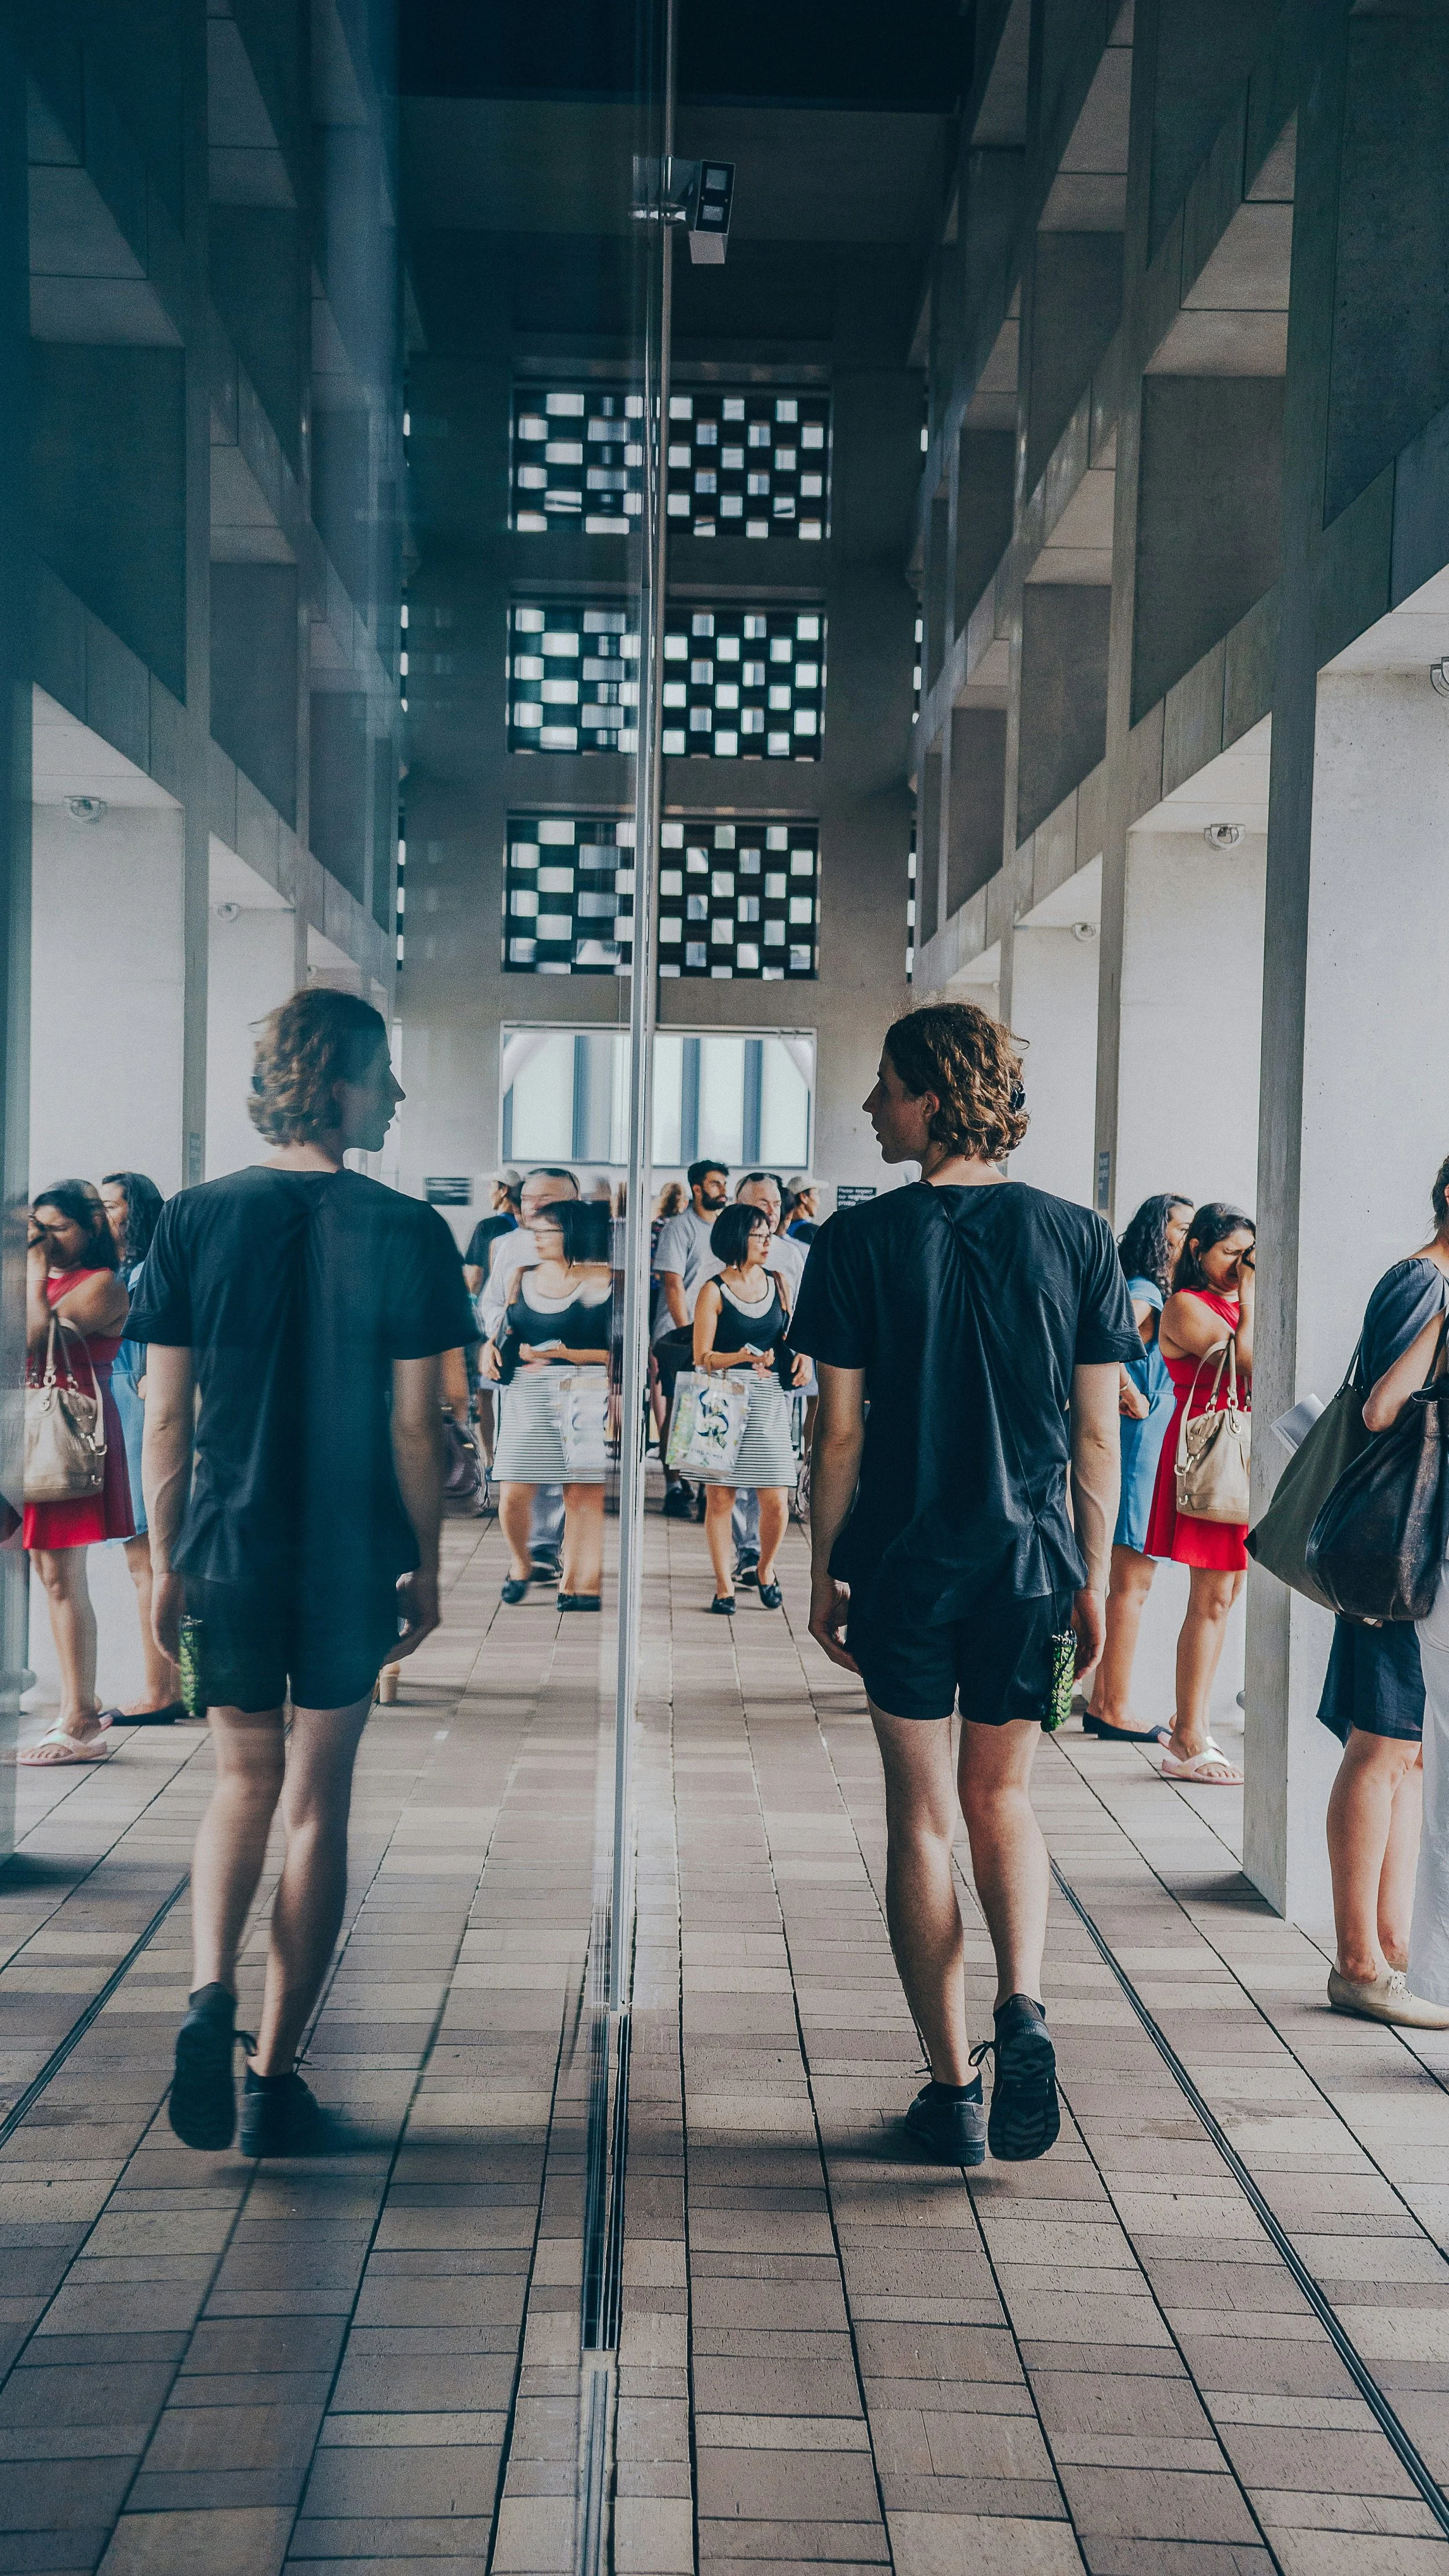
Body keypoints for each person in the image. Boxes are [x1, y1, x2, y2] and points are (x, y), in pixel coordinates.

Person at [792, 1002, 1138, 2166]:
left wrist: (821, 1572)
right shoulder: (1079, 1236)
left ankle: (948, 2094)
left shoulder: (852, 1244)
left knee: (919, 1813)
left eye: (883, 1085)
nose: (869, 1105)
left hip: (901, 1560)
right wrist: (1086, 1574)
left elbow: (836, 1437)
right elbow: (1098, 1438)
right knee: (1003, 1798)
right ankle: (1022, 2005)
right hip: (1032, 1561)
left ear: (929, 1096)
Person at [134, 988, 473, 2158]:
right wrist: (423, 1563)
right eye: (383, 1077)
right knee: (317, 1801)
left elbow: (167, 1411)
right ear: (337, 1081)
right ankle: (277, 2076)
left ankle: (206, 1991)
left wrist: (169, 1553)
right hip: (346, 1551)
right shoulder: (408, 1230)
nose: (397, 1096)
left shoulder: (190, 1218)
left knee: (239, 1777)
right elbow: (415, 1426)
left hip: (227, 1538)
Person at [1344, 1153, 1449, 2021]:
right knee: (1380, 1745)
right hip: (1397, 1549)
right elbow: (1383, 1412)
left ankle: (1392, 1943)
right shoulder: (1424, 1280)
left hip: (1417, 1550)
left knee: (1406, 1745)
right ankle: (1355, 1957)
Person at [19, 1184, 133, 1766]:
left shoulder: (103, 1285)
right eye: (37, 1227)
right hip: (29, 1435)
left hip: (63, 1435)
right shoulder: (36, 1281)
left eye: (58, 1227)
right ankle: (75, 1706)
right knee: (45, 1573)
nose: (45, 1238)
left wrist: (34, 1268)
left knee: (64, 1577)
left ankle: (81, 1718)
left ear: (91, 1226)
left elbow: (39, 1339)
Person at [1144, 1203, 1255, 1786]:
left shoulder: (1232, 1305)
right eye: (1231, 1254)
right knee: (1209, 1599)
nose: (1242, 1266)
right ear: (1198, 1252)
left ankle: (1189, 1717)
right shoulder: (1186, 1306)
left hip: (1237, 1462)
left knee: (1226, 1594)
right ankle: (1189, 1734)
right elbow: (1248, 1360)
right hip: (1211, 1461)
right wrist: (1257, 1290)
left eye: (1249, 1254)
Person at [1082, 1193, 1193, 1743]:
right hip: (1139, 1450)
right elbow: (1104, 1337)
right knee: (1132, 1582)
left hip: (1143, 1447)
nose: (1189, 1238)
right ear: (1161, 1233)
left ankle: (1104, 1699)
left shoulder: (1155, 1291)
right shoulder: (1147, 1291)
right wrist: (1129, 1390)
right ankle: (1111, 1705)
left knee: (1126, 1581)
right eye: (1182, 1227)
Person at [486, 1198, 613, 1608]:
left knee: (580, 1494)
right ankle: (521, 1563)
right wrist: (491, 1350)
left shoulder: (604, 1283)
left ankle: (574, 1584)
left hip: (585, 1394)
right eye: (534, 1231)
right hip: (528, 1396)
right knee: (513, 1491)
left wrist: (569, 1354)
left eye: (546, 1231)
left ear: (570, 1233)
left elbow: (620, 1354)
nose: (536, 1239)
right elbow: (506, 1331)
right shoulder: (521, 1277)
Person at [96, 1171, 185, 1726]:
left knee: (147, 1557)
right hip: (127, 1402)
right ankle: (169, 1684)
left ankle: (161, 1689)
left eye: (112, 1204)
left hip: (138, 1405)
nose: (104, 1215)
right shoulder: (125, 1269)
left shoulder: (146, 1269)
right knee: (149, 1558)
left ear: (137, 1210)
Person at [690, 1203, 807, 1614]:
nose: (768, 1242)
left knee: (776, 1497)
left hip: (768, 1400)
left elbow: (789, 1336)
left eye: (769, 1235)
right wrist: (739, 1357)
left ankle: (764, 1568)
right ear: (739, 1239)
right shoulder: (713, 1290)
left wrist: (801, 1357)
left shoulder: (779, 1282)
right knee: (720, 1499)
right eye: (760, 1236)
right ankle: (724, 1586)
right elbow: (701, 1357)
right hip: (719, 1401)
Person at [479, 1167, 580, 1578]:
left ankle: (548, 1548)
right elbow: (492, 1303)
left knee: (566, 1470)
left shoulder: (599, 1245)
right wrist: (495, 1340)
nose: (534, 1207)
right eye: (529, 1199)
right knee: (524, 1468)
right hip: (524, 1374)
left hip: (577, 1374)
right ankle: (530, 1552)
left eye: (547, 1200)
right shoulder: (511, 1246)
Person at [730, 1172, 806, 1585]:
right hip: (729, 1379)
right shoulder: (721, 1253)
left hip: (774, 1378)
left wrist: (806, 1355)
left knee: (770, 1470)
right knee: (736, 1473)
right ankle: (747, 1552)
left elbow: (800, 1315)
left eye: (776, 1203)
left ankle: (758, 1555)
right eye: (762, 1203)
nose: (772, 1211)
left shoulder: (790, 1256)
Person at [653, 1158, 729, 1518]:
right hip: (679, 1335)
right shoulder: (679, 1228)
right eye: (715, 1184)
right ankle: (674, 1486)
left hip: (714, 1335)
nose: (723, 1190)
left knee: (709, 1410)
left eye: (724, 1184)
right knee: (680, 1409)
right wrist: (689, 1336)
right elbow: (672, 1283)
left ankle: (702, 1484)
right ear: (697, 1189)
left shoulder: (727, 1228)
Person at [463, 1172, 521, 1294]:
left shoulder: (487, 1227)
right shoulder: (527, 1227)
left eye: (491, 1186)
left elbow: (475, 1278)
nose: (489, 1193)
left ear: (503, 1190)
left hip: (491, 1301)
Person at [785, 1176, 820, 1242]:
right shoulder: (813, 1232)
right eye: (817, 1194)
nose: (819, 1202)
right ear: (804, 1197)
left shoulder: (782, 1230)